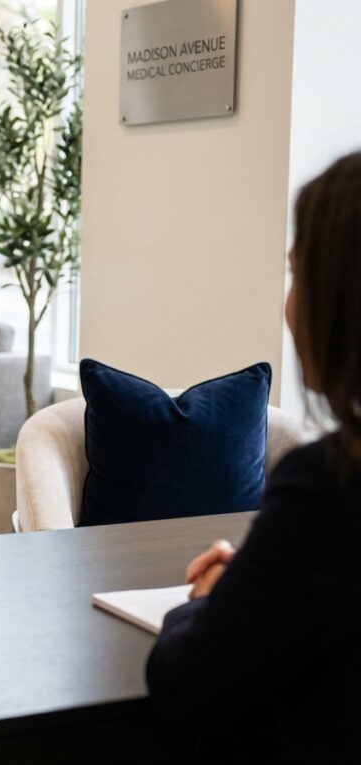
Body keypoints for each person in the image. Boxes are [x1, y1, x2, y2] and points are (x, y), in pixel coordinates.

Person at [146, 152, 361, 761]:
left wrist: (220, 597)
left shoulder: (330, 487)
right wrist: (264, 574)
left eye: (298, 273)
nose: (288, 306)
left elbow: (187, 683)